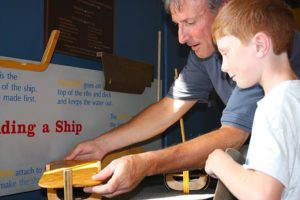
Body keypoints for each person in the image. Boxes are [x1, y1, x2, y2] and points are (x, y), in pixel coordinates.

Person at [65, 0, 300, 197]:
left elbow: (233, 135)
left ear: (225, 9)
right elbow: (170, 108)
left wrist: (146, 164)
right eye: (177, 24)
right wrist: (101, 145)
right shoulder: (208, 54)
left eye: (190, 22)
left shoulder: (258, 59)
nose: (181, 37)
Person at [204, 0, 300, 199]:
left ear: (259, 45)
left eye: (226, 53)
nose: (223, 67)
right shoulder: (293, 98)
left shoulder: (274, 106)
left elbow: (262, 194)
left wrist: (220, 161)